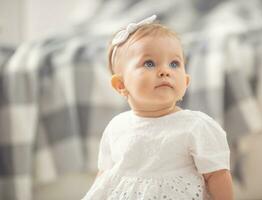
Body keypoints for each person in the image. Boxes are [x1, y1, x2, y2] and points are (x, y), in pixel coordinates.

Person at [82, 15, 233, 200]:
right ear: (121, 85)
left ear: (185, 82)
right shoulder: (117, 126)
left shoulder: (196, 126)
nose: (165, 71)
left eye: (174, 64)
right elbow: (105, 176)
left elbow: (217, 175)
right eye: (149, 63)